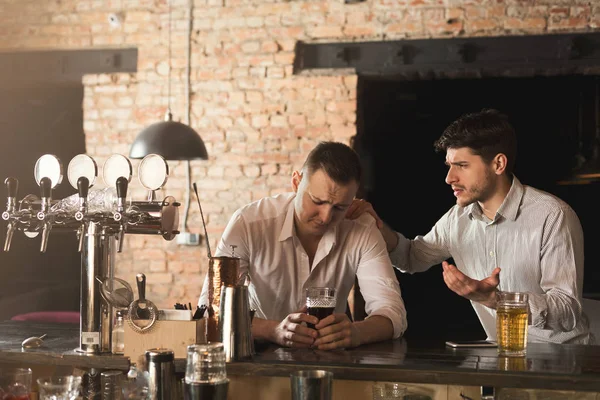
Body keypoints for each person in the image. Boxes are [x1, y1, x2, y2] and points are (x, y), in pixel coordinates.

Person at [347, 108, 591, 344]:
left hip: (563, 361)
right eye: (449, 165)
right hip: (501, 357)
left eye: (462, 166)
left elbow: (567, 310)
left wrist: (496, 300)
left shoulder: (552, 215)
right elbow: (411, 257)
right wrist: (375, 224)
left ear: (498, 164)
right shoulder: (457, 219)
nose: (449, 178)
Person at [199, 141, 407, 350]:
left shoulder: (361, 228)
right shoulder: (249, 224)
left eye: (339, 207)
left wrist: (357, 332)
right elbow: (211, 311)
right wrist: (273, 330)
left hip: (330, 358)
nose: (326, 217)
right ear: (296, 183)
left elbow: (393, 313)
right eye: (317, 201)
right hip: (260, 353)